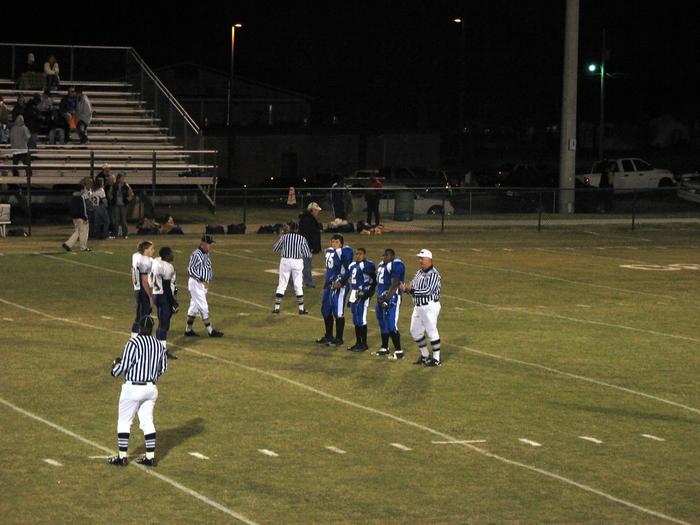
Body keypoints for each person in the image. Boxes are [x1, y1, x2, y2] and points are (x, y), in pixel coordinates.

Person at [107, 316, 167, 467]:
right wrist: (152, 377)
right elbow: (163, 367)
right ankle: (150, 457)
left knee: (124, 422)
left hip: (133, 388)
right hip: (150, 389)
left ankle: (122, 457)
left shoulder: (133, 343)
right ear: (152, 329)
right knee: (147, 422)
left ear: (140, 327)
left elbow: (125, 365)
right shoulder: (159, 345)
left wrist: (114, 370)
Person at [402, 249, 442, 367]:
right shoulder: (419, 272)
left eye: (422, 258)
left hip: (429, 306)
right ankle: (425, 356)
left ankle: (436, 359)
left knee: (432, 331)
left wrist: (411, 290)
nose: (420, 261)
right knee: (415, 331)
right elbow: (413, 284)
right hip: (418, 306)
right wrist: (407, 288)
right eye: (419, 258)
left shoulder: (434, 274)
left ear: (429, 259)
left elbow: (428, 291)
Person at [316, 233, 353, 347]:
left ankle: (339, 339)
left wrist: (341, 282)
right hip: (329, 285)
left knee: (338, 312)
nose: (334, 244)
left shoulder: (345, 251)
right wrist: (324, 286)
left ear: (341, 243)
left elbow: (348, 269)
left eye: (337, 242)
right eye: (333, 242)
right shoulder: (329, 251)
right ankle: (328, 336)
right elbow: (329, 271)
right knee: (325, 310)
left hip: (340, 285)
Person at [185, 235, 223, 337]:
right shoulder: (196, 254)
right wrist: (202, 280)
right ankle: (210, 331)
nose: (210, 246)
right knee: (203, 307)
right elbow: (191, 270)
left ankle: (188, 330)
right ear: (203, 244)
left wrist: (207, 279)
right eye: (209, 244)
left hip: (202, 284)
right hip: (197, 283)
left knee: (194, 308)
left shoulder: (206, 253)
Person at [373, 248, 405, 360]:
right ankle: (384, 347)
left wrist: (387, 298)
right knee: (383, 322)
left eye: (386, 255)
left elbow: (395, 283)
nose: (384, 257)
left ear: (392, 256)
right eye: (383, 255)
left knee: (391, 324)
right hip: (381, 297)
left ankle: (399, 351)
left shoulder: (396, 264)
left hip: (392, 298)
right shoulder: (381, 265)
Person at [272, 221, 311, 314]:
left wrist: (281, 236)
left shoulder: (284, 237)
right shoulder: (302, 238)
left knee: (282, 284)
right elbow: (307, 254)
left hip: (285, 261)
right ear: (297, 229)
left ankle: (277, 308)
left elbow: (275, 249)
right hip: (297, 262)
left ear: (289, 228)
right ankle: (301, 309)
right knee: (298, 285)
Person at [150, 247, 179, 359]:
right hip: (162, 295)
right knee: (164, 324)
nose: (173, 255)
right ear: (166, 256)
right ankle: (161, 351)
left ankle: (157, 347)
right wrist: (173, 301)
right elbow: (166, 287)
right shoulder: (168, 267)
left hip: (156, 294)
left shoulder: (156, 261)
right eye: (171, 254)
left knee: (162, 321)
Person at [346, 248, 376, 352]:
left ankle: (364, 344)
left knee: (361, 319)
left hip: (363, 293)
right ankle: (358, 343)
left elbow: (374, 279)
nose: (358, 256)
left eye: (360, 254)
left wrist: (369, 292)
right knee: (355, 319)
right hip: (354, 293)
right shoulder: (352, 265)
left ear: (364, 254)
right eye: (357, 254)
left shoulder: (368, 265)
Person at [130, 241, 156, 338]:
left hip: (137, 288)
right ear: (145, 250)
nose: (153, 250)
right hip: (143, 290)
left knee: (139, 316)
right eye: (151, 248)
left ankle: (133, 337)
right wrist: (150, 296)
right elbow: (144, 280)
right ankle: (141, 339)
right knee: (144, 317)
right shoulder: (146, 261)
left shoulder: (136, 256)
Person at [298, 202, 322, 287]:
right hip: (306, 246)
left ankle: (294, 281)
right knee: (306, 265)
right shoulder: (308, 220)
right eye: (316, 210)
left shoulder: (308, 219)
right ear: (312, 210)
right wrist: (311, 246)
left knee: (303, 264)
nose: (318, 212)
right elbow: (309, 234)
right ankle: (309, 282)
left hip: (305, 245)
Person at [61, 181, 91, 252]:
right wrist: (85, 217)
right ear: (81, 190)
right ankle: (83, 247)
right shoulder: (81, 197)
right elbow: (83, 208)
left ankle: (68, 244)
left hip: (75, 217)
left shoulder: (73, 197)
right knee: (84, 232)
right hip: (81, 217)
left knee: (77, 232)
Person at [109, 173, 133, 238]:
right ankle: (115, 234)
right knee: (116, 220)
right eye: (122, 178)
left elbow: (131, 194)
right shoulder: (114, 185)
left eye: (123, 178)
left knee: (123, 220)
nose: (123, 179)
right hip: (116, 205)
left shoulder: (126, 185)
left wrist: (127, 200)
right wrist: (112, 199)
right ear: (118, 178)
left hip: (123, 205)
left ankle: (125, 234)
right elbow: (109, 193)